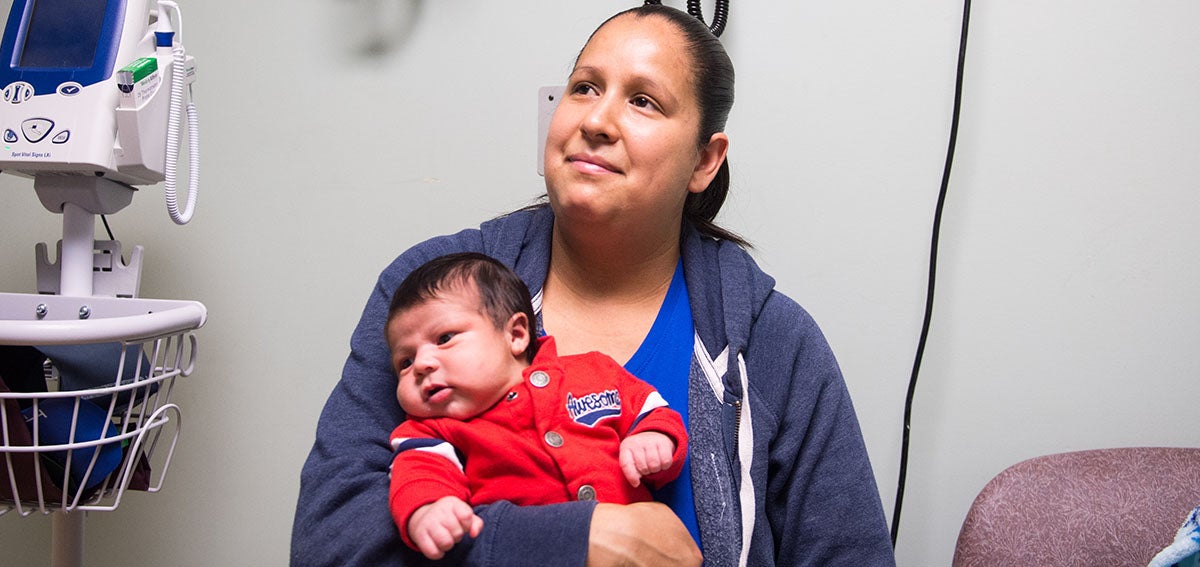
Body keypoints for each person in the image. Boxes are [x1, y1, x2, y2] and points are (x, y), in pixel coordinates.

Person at [292, 4, 896, 566]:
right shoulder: (434, 301)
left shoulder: (772, 343)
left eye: (644, 102)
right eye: (584, 88)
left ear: (704, 161)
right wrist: (573, 540)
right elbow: (330, 540)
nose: (597, 120)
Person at [384, 252, 688, 560]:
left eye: (444, 338)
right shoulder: (429, 432)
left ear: (515, 334)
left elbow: (649, 408)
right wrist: (428, 511)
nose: (421, 364)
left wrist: (653, 438)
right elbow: (419, 474)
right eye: (404, 362)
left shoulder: (592, 372)